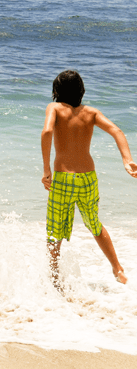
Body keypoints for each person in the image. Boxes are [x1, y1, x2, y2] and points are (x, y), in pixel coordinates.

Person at [41, 70, 137, 289]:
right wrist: (127, 160)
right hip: (88, 178)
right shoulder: (91, 112)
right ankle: (117, 269)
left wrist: (46, 169)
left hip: (64, 178)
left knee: (54, 229)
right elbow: (116, 130)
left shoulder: (54, 108)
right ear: (81, 90)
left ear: (56, 91)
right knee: (94, 223)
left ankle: (54, 278)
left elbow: (47, 132)